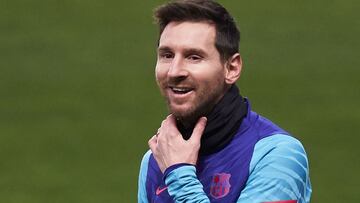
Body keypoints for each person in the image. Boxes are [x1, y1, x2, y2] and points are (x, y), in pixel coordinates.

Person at [138, 0, 312, 202]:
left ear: (231, 68)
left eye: (194, 57)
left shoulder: (278, 155)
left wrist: (179, 174)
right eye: (167, 55)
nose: (174, 71)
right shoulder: (156, 159)